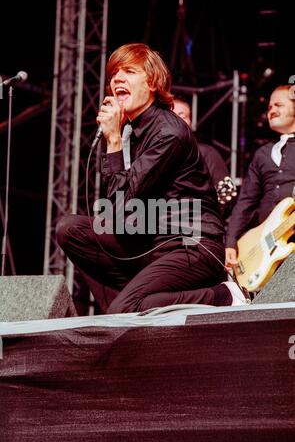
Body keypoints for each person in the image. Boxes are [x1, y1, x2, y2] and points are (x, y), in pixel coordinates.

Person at [56, 43, 247, 314]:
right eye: (114, 74)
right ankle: (122, 315)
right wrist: (116, 139)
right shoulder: (129, 132)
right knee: (70, 229)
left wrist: (112, 141)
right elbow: (115, 214)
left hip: (191, 244)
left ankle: (222, 295)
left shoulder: (169, 132)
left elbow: (122, 201)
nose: (117, 79)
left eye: (129, 72)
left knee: (126, 308)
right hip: (150, 241)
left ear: (153, 82)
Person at [225, 84, 295, 270]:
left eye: (278, 105)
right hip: (266, 246)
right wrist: (231, 240)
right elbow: (246, 201)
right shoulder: (263, 153)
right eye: (270, 106)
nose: (271, 110)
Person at [172, 97, 237, 213]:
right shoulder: (153, 154)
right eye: (171, 115)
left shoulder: (206, 153)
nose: (176, 119)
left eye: (182, 116)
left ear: (190, 122)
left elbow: (227, 192)